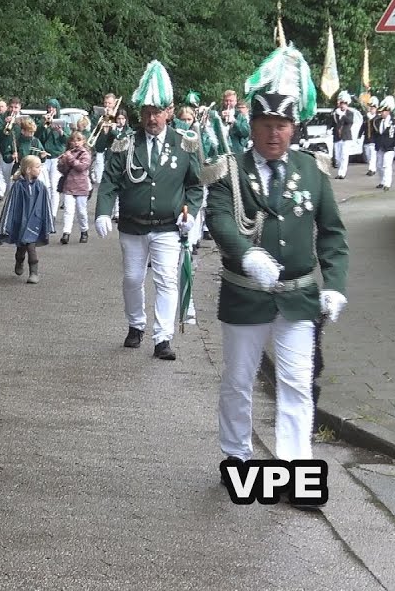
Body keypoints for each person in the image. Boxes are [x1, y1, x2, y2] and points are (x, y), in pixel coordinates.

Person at [205, 45, 349, 509]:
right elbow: (221, 218)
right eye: (265, 125)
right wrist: (246, 254)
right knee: (239, 381)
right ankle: (237, 459)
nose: (274, 134)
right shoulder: (231, 169)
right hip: (246, 294)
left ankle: (294, 472)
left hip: (299, 297)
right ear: (252, 126)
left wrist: (336, 287)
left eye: (282, 126)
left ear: (293, 127)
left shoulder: (312, 170)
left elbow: (332, 233)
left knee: (296, 383)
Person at [95, 60, 204, 361]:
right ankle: (136, 324)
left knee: (166, 279)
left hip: (169, 226)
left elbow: (195, 186)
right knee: (132, 278)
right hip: (132, 225)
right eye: (146, 112)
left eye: (156, 111)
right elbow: (109, 181)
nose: (151, 117)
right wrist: (103, 211)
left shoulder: (186, 144)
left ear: (169, 112)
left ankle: (162, 337)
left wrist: (191, 214)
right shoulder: (126, 142)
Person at [0, 155, 54, 283]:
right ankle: (19, 260)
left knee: (31, 246)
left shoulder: (41, 187)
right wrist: (6, 224)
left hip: (35, 221)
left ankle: (34, 272)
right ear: (29, 170)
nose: (40, 169)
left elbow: (45, 205)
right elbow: (10, 205)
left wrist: (48, 223)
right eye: (37, 167)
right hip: (21, 222)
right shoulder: (17, 186)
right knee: (21, 247)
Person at [56, 131, 93, 244]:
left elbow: (81, 167)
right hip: (69, 185)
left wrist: (70, 158)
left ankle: (84, 231)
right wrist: (62, 162)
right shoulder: (68, 153)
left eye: (79, 140)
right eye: (74, 140)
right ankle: (66, 233)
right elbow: (62, 170)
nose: (76, 143)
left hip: (82, 186)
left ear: (83, 141)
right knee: (68, 211)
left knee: (81, 212)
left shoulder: (85, 154)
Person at [371, 98, 395, 190]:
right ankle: (382, 181)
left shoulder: (394, 122)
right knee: (379, 165)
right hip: (380, 146)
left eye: (383, 111)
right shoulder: (377, 121)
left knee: (387, 165)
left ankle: (387, 183)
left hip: (389, 147)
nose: (381, 113)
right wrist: (374, 142)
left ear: (388, 111)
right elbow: (375, 132)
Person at [329, 91, 355, 179]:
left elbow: (350, 121)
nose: (343, 105)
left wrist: (342, 116)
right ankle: (340, 171)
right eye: (341, 103)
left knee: (344, 155)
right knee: (338, 157)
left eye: (345, 104)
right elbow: (331, 123)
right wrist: (328, 129)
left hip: (346, 137)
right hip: (337, 137)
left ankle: (342, 173)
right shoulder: (335, 113)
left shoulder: (350, 113)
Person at [0, 99, 14, 199]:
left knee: (10, 174)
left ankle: (7, 192)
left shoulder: (20, 118)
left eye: (2, 106)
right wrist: (4, 123)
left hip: (14, 150)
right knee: (0, 169)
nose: (0, 108)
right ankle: (0, 189)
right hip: (2, 148)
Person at [361, 96, 380, 177]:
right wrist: (359, 135)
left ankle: (372, 169)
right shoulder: (366, 117)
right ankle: (371, 167)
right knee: (368, 155)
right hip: (366, 139)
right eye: (371, 107)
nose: (371, 109)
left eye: (373, 108)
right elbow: (362, 127)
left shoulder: (378, 118)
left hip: (374, 139)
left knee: (373, 155)